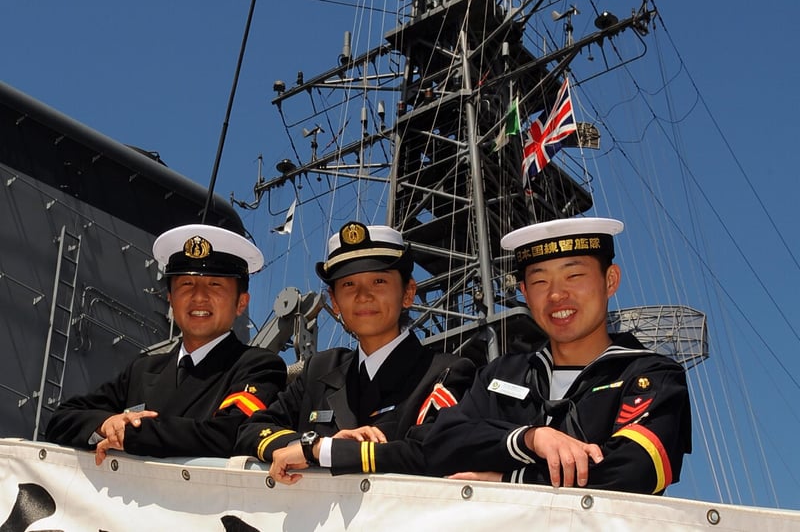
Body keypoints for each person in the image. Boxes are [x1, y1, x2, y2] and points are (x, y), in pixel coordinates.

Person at [422, 217, 691, 495]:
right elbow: (440, 444)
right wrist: (529, 439)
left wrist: (509, 482)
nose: (556, 294)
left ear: (610, 280)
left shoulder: (650, 375)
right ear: (525, 293)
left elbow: (635, 469)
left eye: (574, 276)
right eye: (539, 281)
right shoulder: (498, 375)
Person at [234, 221, 475, 484]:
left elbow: (431, 452)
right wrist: (307, 443)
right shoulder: (320, 371)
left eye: (379, 281)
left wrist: (321, 451)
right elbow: (250, 431)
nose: (363, 296)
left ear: (408, 293)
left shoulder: (446, 374)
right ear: (335, 302)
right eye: (348, 285)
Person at [45, 224, 287, 465]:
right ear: (170, 298)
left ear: (241, 303)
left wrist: (134, 432)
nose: (199, 297)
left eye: (215, 285)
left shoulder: (258, 367)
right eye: (186, 285)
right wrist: (107, 424)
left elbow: (232, 432)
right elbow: (62, 419)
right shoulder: (143, 370)